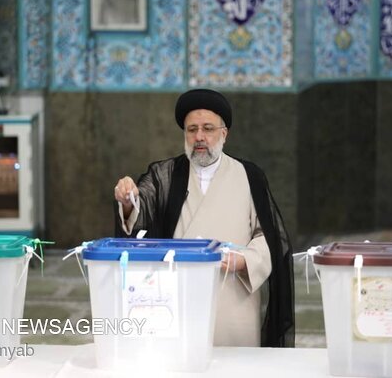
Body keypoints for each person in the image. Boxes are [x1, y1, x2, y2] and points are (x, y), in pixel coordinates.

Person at [113, 88, 294, 347]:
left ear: (224, 134)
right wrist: (128, 200)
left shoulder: (249, 175)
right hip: (178, 294)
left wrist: (245, 260)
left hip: (233, 294)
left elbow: (268, 234)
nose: (199, 137)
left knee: (236, 363)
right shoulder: (164, 174)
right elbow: (141, 209)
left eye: (208, 129)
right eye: (192, 129)